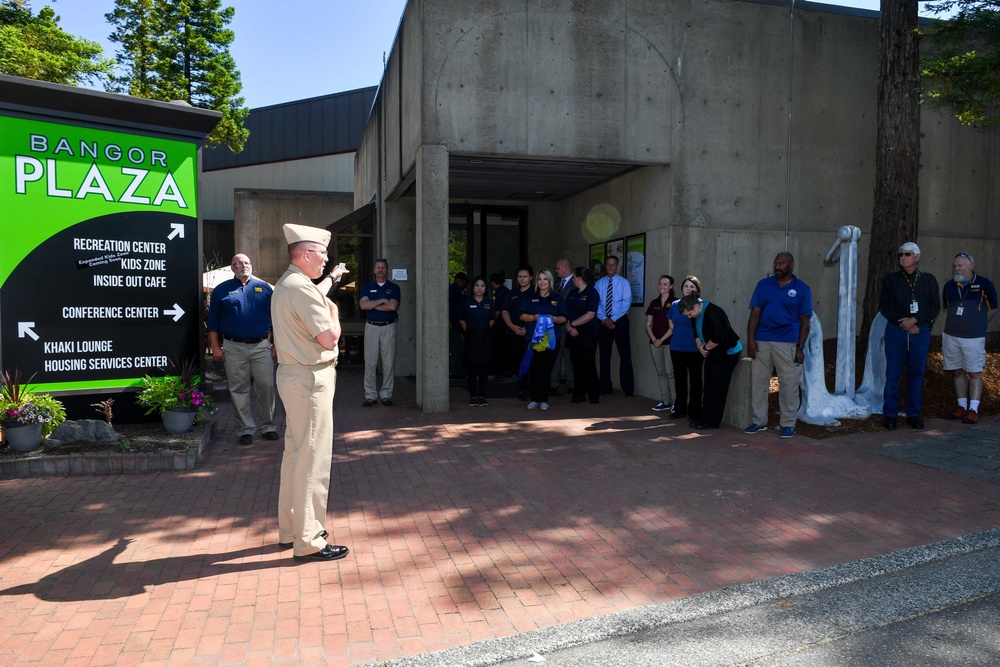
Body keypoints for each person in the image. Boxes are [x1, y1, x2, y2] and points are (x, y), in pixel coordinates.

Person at [270, 223, 350, 562]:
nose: (326, 258)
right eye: (322, 253)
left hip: (293, 377)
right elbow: (329, 338)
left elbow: (317, 290)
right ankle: (310, 539)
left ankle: (291, 529)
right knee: (312, 459)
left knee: (296, 453)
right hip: (310, 379)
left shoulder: (289, 283)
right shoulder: (302, 289)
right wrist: (336, 313)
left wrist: (332, 277)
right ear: (305, 254)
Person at [206, 253, 278, 445]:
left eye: (245, 262)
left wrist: (275, 345)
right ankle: (245, 429)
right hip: (233, 346)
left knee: (267, 386)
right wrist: (215, 347)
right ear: (232, 268)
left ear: (251, 265)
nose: (242, 265)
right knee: (239, 389)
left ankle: (268, 426)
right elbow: (212, 322)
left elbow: (276, 320)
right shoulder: (221, 290)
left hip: (261, 345)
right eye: (237, 263)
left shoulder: (265, 288)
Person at [745, 252, 813, 439]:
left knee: (789, 385)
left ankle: (788, 424)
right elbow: (755, 315)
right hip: (762, 340)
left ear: (792, 265)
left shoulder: (802, 289)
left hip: (788, 342)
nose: (777, 266)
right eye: (776, 263)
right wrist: (751, 340)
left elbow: (805, 321)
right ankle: (759, 422)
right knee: (759, 383)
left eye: (782, 263)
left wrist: (800, 346)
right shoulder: (763, 285)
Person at [879, 242, 941, 430]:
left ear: (917, 256)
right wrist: (904, 323)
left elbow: (934, 307)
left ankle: (914, 414)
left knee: (916, 373)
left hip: (920, 331)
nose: (903, 257)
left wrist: (915, 320)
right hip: (897, 330)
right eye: (900, 255)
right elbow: (884, 306)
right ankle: (890, 414)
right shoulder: (891, 279)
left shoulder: (928, 280)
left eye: (907, 254)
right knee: (893, 374)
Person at [941, 252, 997, 424]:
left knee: (974, 372)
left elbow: (993, 307)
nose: (957, 268)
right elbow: (948, 308)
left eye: (961, 265)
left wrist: (979, 323)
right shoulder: (949, 286)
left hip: (973, 337)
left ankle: (973, 409)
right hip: (951, 336)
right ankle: (962, 406)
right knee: (957, 371)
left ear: (971, 266)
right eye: (955, 266)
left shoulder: (985, 284)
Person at [678, 294, 743, 430]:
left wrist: (705, 348)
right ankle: (704, 417)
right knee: (708, 385)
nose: (689, 317)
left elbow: (718, 337)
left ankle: (712, 421)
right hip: (712, 352)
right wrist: (699, 346)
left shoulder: (713, 313)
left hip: (727, 353)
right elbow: (696, 333)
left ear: (695, 306)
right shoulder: (694, 314)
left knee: (718, 387)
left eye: (690, 314)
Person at [519, 269, 568, 410]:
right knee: (534, 369)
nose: (542, 282)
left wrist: (554, 319)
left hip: (551, 340)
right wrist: (534, 317)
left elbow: (564, 318)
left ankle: (544, 399)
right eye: (540, 279)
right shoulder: (530, 298)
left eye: (545, 279)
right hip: (533, 340)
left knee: (546, 370)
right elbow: (521, 315)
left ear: (550, 281)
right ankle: (534, 399)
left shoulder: (557, 299)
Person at [359, 258, 401, 407]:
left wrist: (372, 304)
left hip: (388, 328)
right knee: (370, 363)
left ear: (387, 270)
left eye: (383, 268)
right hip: (371, 328)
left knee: (388, 363)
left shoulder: (394, 287)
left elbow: (392, 307)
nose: (380, 270)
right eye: (378, 268)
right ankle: (370, 396)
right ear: (374, 270)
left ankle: (386, 395)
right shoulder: (367, 287)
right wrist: (382, 300)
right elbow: (363, 305)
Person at [595, 255, 635, 396]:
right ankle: (605, 387)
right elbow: (597, 304)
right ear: (605, 267)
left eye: (613, 264)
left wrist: (613, 319)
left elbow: (626, 303)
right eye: (608, 264)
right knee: (604, 356)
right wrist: (605, 319)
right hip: (603, 322)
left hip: (620, 321)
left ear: (617, 266)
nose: (610, 267)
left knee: (625, 355)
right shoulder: (599, 284)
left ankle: (628, 389)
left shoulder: (624, 283)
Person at [669, 276, 704, 423]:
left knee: (696, 380)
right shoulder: (675, 304)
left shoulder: (700, 305)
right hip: (677, 347)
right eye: (686, 286)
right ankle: (680, 410)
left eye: (692, 287)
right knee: (679, 379)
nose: (688, 289)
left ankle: (695, 412)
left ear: (697, 289)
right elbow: (670, 320)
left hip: (695, 349)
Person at [564, 267, 601, 404]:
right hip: (572, 333)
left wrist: (573, 324)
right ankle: (578, 394)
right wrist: (569, 327)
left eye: (574, 277)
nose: (572, 279)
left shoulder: (592, 293)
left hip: (587, 334)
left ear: (579, 278)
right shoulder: (572, 293)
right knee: (576, 364)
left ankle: (593, 394)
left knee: (588, 364)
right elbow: (565, 312)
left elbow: (590, 314)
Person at [459, 276, 495, 406]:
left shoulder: (489, 303)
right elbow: (462, 319)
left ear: (486, 289)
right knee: (472, 368)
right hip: (471, 337)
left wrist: (483, 329)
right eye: (477, 286)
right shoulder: (466, 302)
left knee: (484, 368)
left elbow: (492, 319)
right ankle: (473, 396)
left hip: (485, 337)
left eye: (482, 286)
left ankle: (482, 396)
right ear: (473, 288)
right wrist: (469, 331)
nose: (479, 288)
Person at [502, 266, 534, 401]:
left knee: (530, 362)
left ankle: (530, 389)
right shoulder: (512, 293)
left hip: (530, 333)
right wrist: (512, 326)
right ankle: (521, 389)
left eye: (525, 276)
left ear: (531, 278)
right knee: (517, 361)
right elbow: (505, 311)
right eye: (520, 276)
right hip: (513, 332)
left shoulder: (536, 293)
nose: (522, 279)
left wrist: (527, 327)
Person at [645, 275, 676, 413]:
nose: (662, 286)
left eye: (665, 284)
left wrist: (661, 340)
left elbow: (673, 326)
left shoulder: (675, 303)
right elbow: (648, 324)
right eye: (660, 284)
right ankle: (666, 401)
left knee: (670, 371)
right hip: (654, 342)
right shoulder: (654, 303)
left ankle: (676, 402)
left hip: (669, 341)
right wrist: (654, 339)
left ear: (671, 286)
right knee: (661, 372)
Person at [551, 258, 575, 393]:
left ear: (565, 268)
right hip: (555, 326)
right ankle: (553, 384)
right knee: (555, 355)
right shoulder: (556, 285)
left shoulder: (575, 283)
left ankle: (571, 384)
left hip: (568, 325)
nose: (556, 271)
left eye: (557, 268)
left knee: (569, 357)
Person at [489, 272, 510, 375]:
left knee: (498, 348)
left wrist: (489, 323)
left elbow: (497, 312)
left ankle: (499, 370)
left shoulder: (498, 293)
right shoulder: (506, 291)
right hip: (506, 326)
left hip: (499, 326)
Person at [448, 272, 469, 377]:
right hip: (454, 323)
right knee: (457, 347)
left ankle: (456, 369)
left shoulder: (455, 290)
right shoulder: (453, 290)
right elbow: (450, 307)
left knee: (457, 347)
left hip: (456, 323)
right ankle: (454, 370)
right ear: (462, 281)